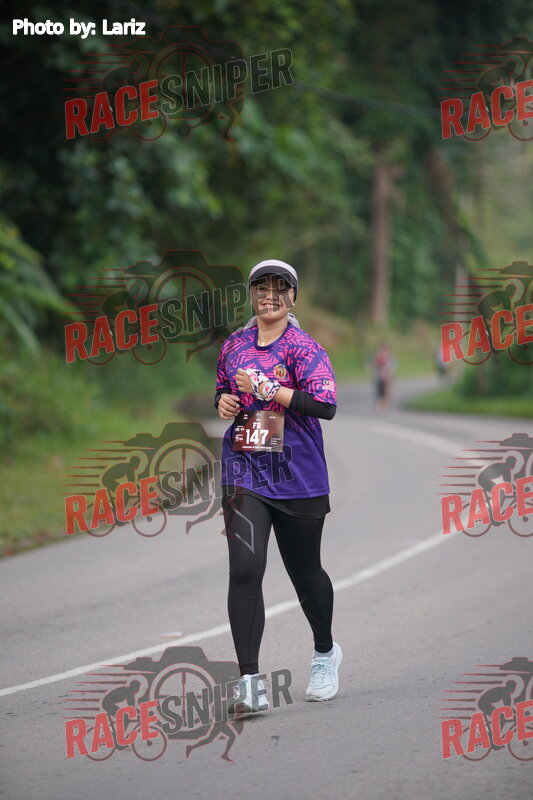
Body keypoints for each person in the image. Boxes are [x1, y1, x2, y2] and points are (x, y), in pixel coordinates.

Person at [214, 259, 342, 713]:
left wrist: (269, 389)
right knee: (245, 569)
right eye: (261, 287)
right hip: (245, 469)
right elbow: (222, 390)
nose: (270, 295)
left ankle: (325, 653)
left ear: (293, 296)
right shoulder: (234, 345)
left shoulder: (305, 349)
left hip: (297, 474)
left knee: (305, 572)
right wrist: (224, 401)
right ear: (251, 294)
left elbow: (325, 405)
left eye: (279, 287)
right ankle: (250, 682)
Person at [372, 342, 396, 413]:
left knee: (386, 392)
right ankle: (379, 406)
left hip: (387, 378)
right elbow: (374, 366)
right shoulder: (378, 358)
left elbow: (392, 368)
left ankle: (385, 406)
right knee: (379, 392)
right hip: (379, 377)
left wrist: (391, 376)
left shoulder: (390, 358)